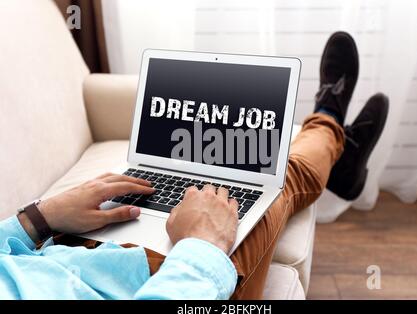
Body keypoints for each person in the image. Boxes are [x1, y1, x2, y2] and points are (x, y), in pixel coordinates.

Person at [0, 32, 388, 299]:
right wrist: (201, 247)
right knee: (277, 180)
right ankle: (330, 120)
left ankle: (340, 144)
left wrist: (39, 217)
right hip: (174, 282)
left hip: (58, 249)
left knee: (224, 172)